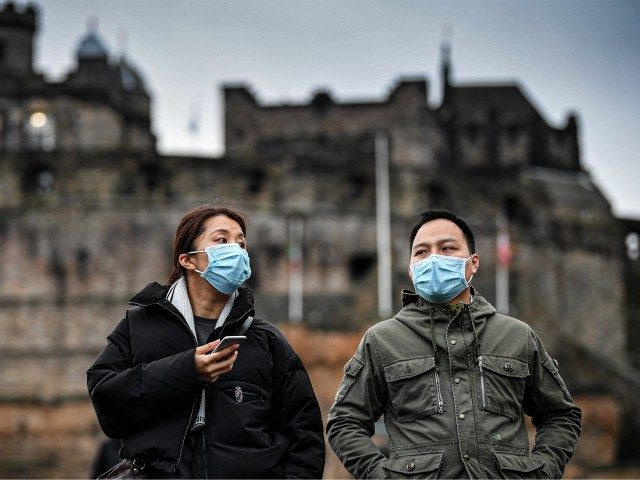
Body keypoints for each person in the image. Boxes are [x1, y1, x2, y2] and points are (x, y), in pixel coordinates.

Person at [327, 209, 581, 479]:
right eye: (422, 252)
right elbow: (344, 422)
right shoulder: (382, 340)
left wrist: (543, 471)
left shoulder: (518, 336)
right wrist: (381, 476)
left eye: (447, 248)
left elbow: (561, 415)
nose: (434, 258)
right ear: (412, 270)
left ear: (473, 263)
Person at [87, 204, 325, 479]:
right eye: (222, 240)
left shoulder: (266, 340)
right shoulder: (139, 326)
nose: (236, 251)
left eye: (241, 243)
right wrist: (188, 370)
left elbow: (305, 438)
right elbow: (107, 401)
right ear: (188, 260)